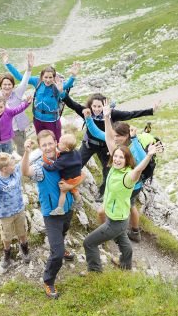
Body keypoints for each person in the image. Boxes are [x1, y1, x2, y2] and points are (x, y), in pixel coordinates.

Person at [83, 100, 163, 272]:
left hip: (118, 216)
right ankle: (126, 264)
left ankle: (95, 273)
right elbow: (107, 137)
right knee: (123, 240)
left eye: (121, 157)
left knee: (88, 242)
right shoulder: (116, 161)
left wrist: (149, 155)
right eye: (116, 156)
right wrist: (105, 117)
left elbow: (139, 168)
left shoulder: (128, 173)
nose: (117, 158)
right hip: (117, 214)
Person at [61, 92, 160, 199]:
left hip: (106, 146)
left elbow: (130, 114)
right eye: (94, 106)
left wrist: (150, 111)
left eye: (100, 106)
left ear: (105, 106)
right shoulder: (87, 112)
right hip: (89, 144)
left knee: (107, 169)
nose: (97, 109)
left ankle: (103, 193)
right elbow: (72, 104)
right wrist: (63, 93)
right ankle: (69, 183)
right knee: (77, 164)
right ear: (90, 105)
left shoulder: (112, 115)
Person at [21, 131, 85, 299]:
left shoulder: (64, 157)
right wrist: (27, 152)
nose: (48, 147)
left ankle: (61, 248)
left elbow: (81, 175)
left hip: (67, 208)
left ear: (56, 142)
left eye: (50, 143)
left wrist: (70, 188)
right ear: (40, 147)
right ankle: (48, 281)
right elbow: (25, 171)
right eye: (44, 145)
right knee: (56, 253)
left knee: (64, 232)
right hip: (52, 214)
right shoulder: (41, 167)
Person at [83, 109, 151, 242]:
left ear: (126, 136)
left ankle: (108, 232)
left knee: (115, 208)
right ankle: (135, 232)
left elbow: (143, 159)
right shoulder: (117, 145)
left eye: (117, 136)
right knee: (130, 206)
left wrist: (135, 139)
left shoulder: (133, 148)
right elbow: (98, 133)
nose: (114, 139)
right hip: (131, 184)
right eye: (113, 136)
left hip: (131, 185)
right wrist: (89, 118)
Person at [2, 49, 80, 141]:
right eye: (45, 77)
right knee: (41, 141)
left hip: (52, 121)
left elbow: (67, 85)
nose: (47, 80)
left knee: (56, 142)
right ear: (42, 77)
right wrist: (7, 63)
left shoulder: (57, 87)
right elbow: (20, 77)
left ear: (54, 78)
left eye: (50, 77)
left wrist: (73, 76)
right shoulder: (37, 82)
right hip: (37, 120)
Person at [42, 133, 83, 215]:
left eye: (60, 143)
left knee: (63, 192)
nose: (58, 143)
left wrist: (44, 164)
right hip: (77, 176)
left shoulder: (63, 160)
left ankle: (60, 209)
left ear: (67, 149)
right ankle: (79, 201)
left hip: (70, 179)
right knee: (74, 190)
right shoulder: (76, 152)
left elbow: (52, 168)